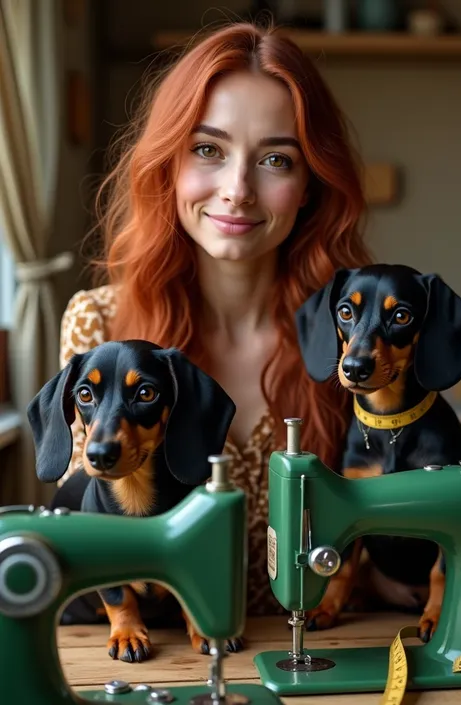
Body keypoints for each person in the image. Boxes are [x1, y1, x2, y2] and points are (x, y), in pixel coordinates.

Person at [59, 21, 373, 616]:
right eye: (208, 150)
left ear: (309, 184)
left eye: (276, 159)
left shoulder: (352, 342)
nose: (237, 189)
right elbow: (100, 547)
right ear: (169, 164)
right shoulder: (96, 325)